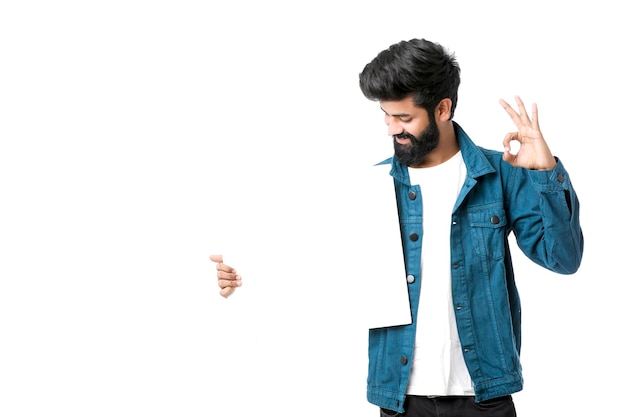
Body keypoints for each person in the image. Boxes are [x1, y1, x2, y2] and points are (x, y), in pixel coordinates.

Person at [210, 38, 583, 417]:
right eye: (387, 116)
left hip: (484, 394)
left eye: (404, 118)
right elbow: (321, 270)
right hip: (401, 398)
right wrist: (243, 278)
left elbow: (564, 259)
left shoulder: (501, 172)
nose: (392, 129)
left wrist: (547, 173)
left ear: (442, 108)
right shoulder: (372, 187)